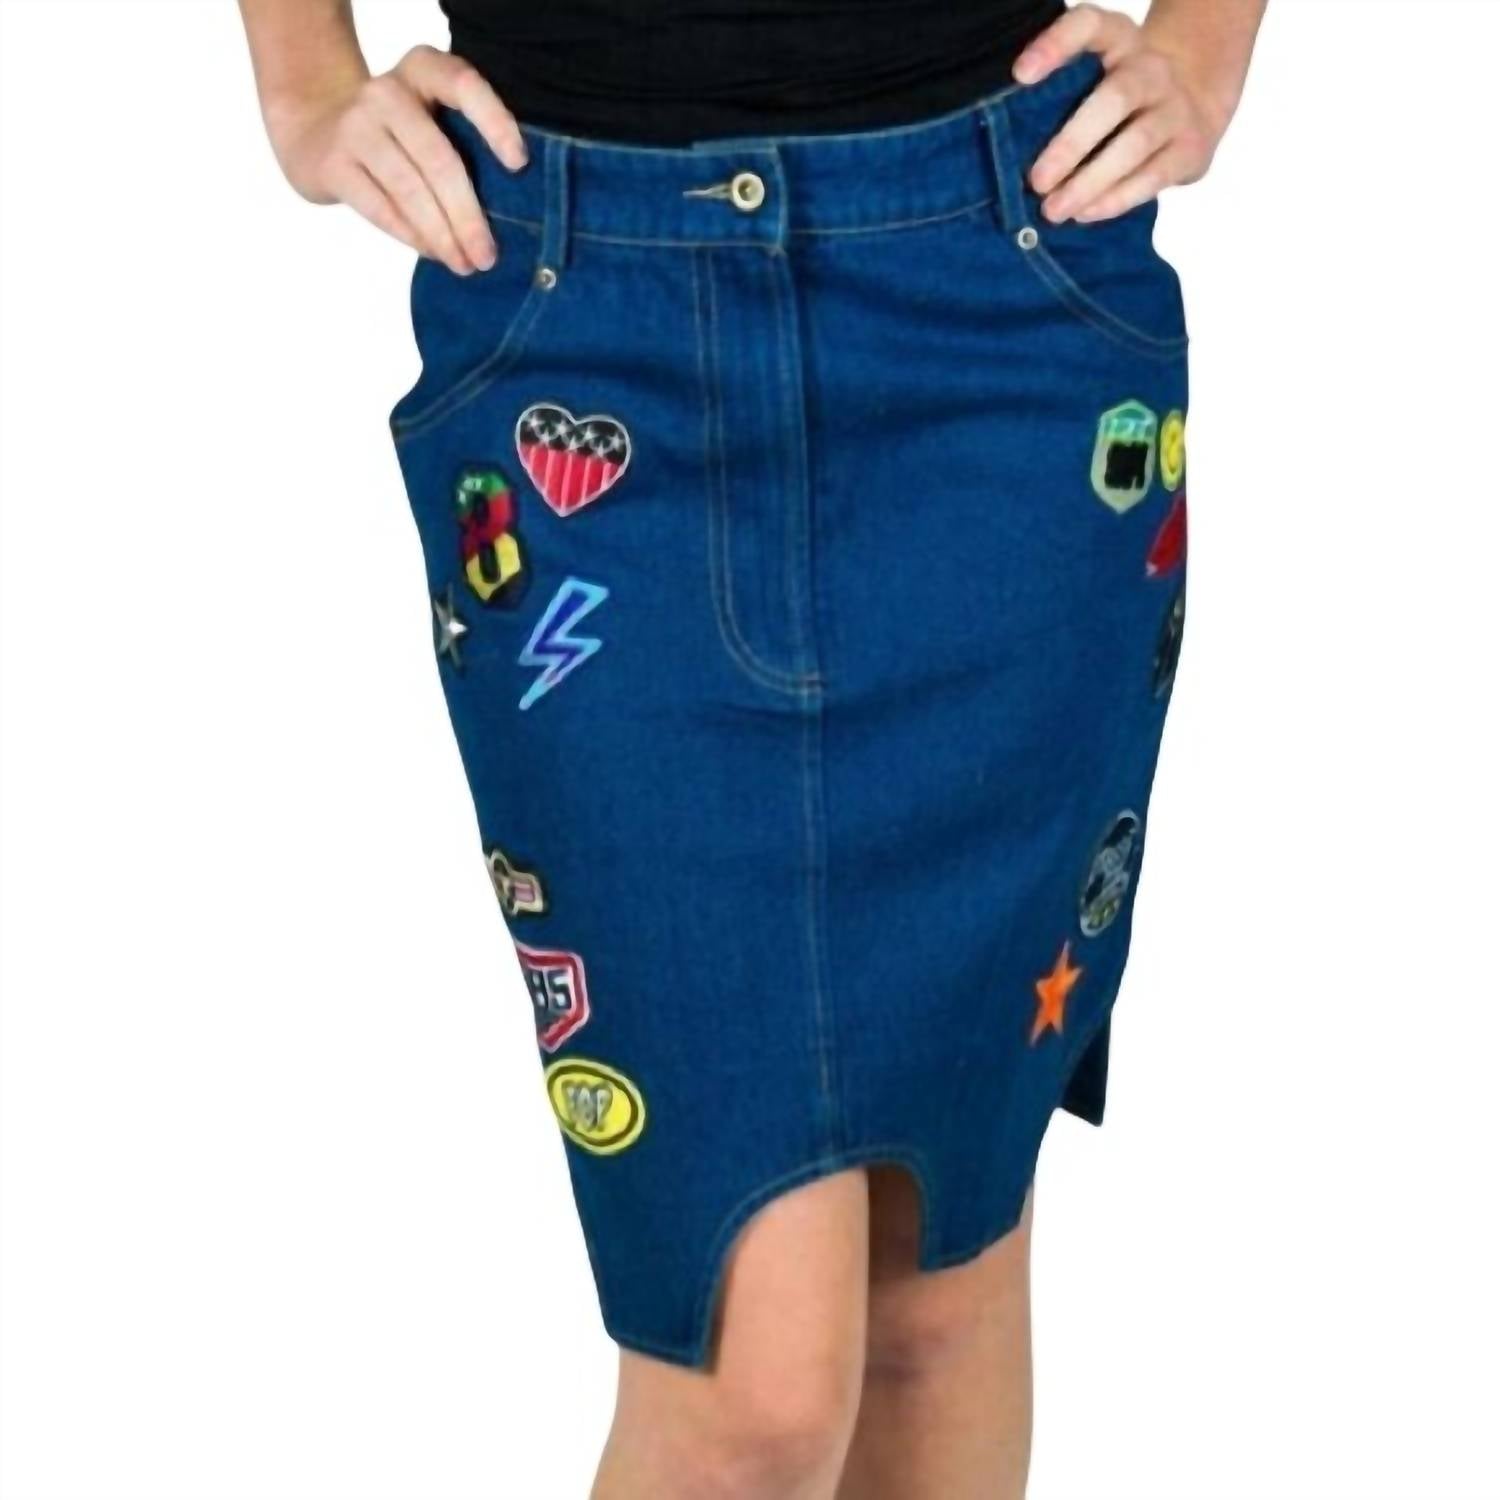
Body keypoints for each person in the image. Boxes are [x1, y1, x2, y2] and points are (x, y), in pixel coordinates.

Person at [238, 2, 1265, 1495]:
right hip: (576, 318)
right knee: (748, 1402)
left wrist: (1210, 45)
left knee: (939, 1285)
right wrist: (303, 79)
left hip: (1003, 293)